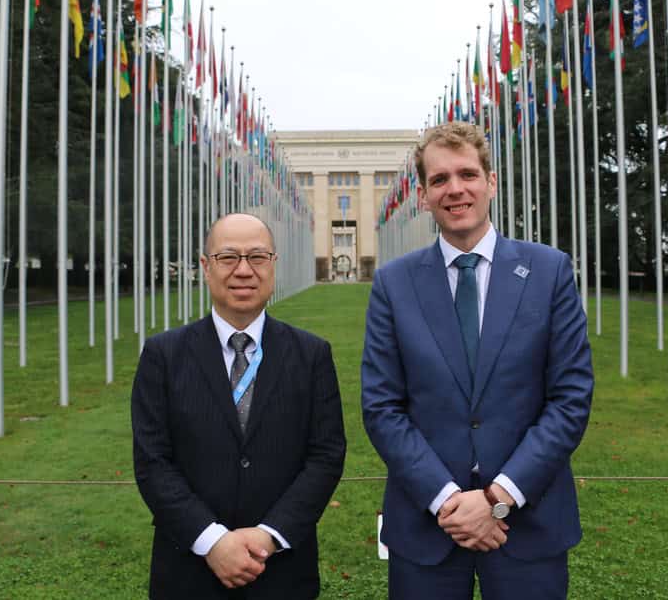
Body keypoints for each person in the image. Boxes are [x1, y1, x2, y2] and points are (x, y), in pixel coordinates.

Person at [360, 122, 594, 599]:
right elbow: (382, 407)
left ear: (491, 181)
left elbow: (570, 399)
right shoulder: (393, 284)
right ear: (424, 196)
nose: (455, 189)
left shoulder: (549, 271)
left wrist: (498, 498)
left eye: (467, 173)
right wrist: (450, 502)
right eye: (439, 179)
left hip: (528, 525)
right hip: (428, 530)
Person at [132, 213, 346, 599]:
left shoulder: (312, 354)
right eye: (228, 257)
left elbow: (326, 456)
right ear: (206, 267)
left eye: (257, 257)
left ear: (273, 265)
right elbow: (153, 462)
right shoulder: (163, 355)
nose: (244, 270)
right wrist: (212, 541)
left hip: (282, 572)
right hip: (187, 572)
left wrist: (268, 536)